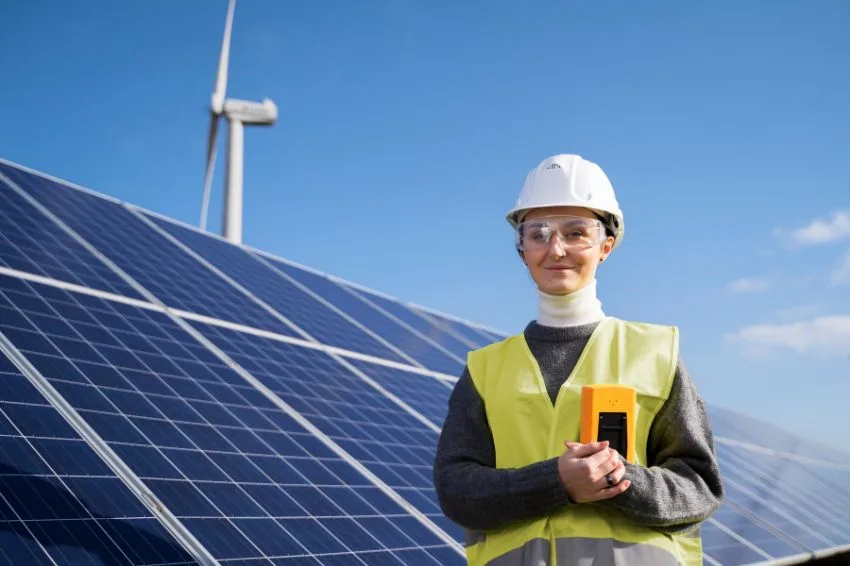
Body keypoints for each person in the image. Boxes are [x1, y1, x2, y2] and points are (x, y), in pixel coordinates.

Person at [433, 154, 723, 566]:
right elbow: (456, 489)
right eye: (539, 234)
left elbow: (699, 485)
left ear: (605, 246)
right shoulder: (485, 369)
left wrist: (618, 480)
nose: (556, 249)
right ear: (521, 249)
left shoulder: (655, 353)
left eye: (576, 233)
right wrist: (556, 482)